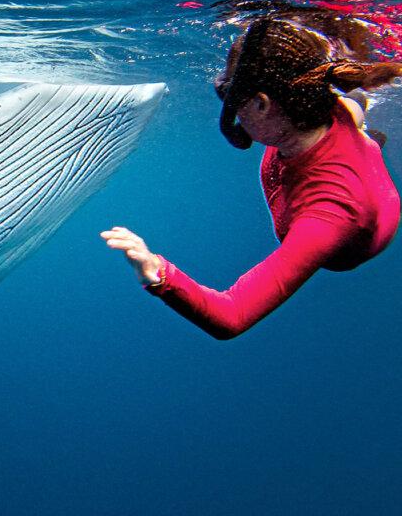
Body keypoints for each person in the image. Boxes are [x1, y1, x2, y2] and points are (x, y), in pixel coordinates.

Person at [102, 17, 401, 339]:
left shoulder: (328, 214)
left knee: (354, 125)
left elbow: (232, 315)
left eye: (228, 92)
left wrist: (156, 273)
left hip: (357, 237)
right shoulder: (315, 104)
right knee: (350, 112)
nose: (228, 104)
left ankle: (367, 139)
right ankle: (365, 133)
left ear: (261, 103)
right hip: (342, 150)